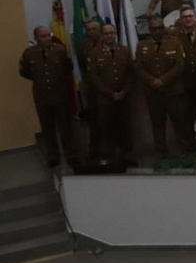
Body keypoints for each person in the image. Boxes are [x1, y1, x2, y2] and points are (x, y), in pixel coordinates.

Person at [19, 26, 79, 166]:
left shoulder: (60, 50)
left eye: (48, 35)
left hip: (59, 94)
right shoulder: (29, 54)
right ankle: (53, 154)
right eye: (44, 36)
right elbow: (25, 72)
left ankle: (70, 152)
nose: (48, 38)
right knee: (47, 126)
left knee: (65, 124)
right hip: (42, 95)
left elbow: (67, 68)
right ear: (36, 38)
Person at [135, 15, 193, 156]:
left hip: (173, 91)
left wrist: (163, 80)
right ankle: (161, 152)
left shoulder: (174, 42)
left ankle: (185, 152)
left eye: (161, 27)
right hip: (153, 92)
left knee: (180, 123)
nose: (158, 31)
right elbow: (138, 67)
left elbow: (180, 65)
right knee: (157, 123)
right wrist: (152, 81)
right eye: (154, 28)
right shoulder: (142, 45)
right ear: (149, 30)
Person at [86, 24, 134, 162]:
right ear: (102, 35)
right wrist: (110, 93)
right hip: (105, 98)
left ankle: (127, 154)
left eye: (112, 33)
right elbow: (94, 77)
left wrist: (124, 91)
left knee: (125, 126)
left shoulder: (124, 51)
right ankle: (109, 155)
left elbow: (131, 73)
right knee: (107, 127)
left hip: (124, 96)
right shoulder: (94, 53)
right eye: (106, 33)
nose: (109, 36)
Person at [169, 6, 196, 154]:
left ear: (195, 18)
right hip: (182, 82)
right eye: (185, 16)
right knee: (185, 117)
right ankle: (188, 147)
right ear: (180, 19)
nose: (188, 19)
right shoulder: (174, 35)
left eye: (190, 16)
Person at [77, 19, 103, 158]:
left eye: (94, 29)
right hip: (91, 87)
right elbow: (82, 64)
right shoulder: (83, 46)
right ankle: (95, 147)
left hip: (107, 87)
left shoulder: (107, 43)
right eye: (88, 30)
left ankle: (111, 145)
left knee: (109, 116)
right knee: (94, 117)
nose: (91, 32)